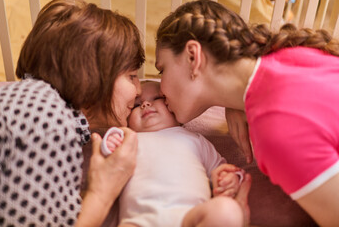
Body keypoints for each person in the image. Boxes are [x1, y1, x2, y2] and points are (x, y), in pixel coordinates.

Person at [154, 0, 339, 226]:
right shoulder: (291, 57)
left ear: (193, 56)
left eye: (161, 70)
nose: (158, 88)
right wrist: (234, 103)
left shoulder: (276, 129)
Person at [0, 0, 144, 226]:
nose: (139, 91)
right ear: (92, 75)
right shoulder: (42, 112)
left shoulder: (33, 108)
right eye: (132, 76)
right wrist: (102, 192)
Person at [103, 81, 251, 227]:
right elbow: (106, 161)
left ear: (172, 106)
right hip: (140, 220)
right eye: (136, 105)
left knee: (227, 211)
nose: (145, 104)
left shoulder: (195, 139)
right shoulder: (129, 138)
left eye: (156, 98)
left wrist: (229, 179)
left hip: (189, 216)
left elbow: (220, 169)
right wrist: (110, 142)